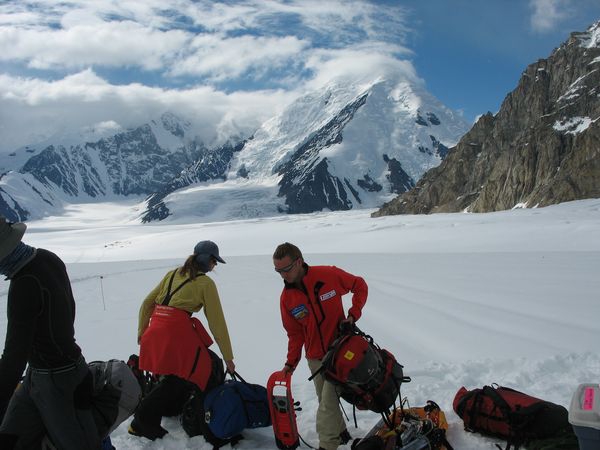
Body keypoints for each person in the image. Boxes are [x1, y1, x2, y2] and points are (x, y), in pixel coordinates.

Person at [0, 216, 100, 450]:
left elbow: (14, 358)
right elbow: (68, 311)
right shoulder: (47, 257)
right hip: (61, 369)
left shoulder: (22, 286)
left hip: (56, 381)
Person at [129, 240, 236, 441]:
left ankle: (147, 418)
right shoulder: (205, 283)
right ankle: (205, 423)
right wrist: (228, 357)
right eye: (214, 261)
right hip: (176, 331)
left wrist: (142, 332)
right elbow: (217, 323)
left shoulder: (173, 274)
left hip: (156, 327)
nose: (215, 266)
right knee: (203, 368)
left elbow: (146, 303)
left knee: (174, 375)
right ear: (206, 260)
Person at [273, 242, 368, 450]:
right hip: (315, 359)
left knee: (326, 405)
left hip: (340, 353)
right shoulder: (287, 299)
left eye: (286, 269)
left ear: (299, 262)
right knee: (325, 400)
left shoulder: (328, 275)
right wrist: (290, 363)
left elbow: (360, 285)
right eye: (278, 271)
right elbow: (295, 335)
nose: (283, 275)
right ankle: (342, 433)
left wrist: (353, 315)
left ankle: (328, 445)